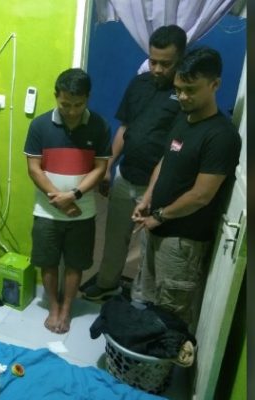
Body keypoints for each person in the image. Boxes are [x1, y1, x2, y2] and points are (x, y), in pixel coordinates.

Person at [131, 47, 242, 330]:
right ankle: (144, 350)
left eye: (190, 90)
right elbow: (165, 161)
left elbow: (201, 195)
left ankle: (168, 358)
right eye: (178, 89)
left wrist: (160, 216)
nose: (182, 96)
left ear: (215, 84)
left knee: (171, 311)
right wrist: (147, 199)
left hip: (182, 241)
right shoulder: (184, 117)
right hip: (156, 225)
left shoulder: (221, 136)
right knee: (147, 295)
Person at [83, 25, 187, 301]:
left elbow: (175, 148)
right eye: (153, 61)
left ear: (180, 58)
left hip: (158, 187)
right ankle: (107, 284)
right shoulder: (138, 84)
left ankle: (143, 299)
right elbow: (124, 128)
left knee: (150, 247)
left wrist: (152, 192)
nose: (157, 69)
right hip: (125, 175)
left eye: (166, 63)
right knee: (115, 237)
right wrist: (108, 166)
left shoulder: (184, 95)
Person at [24, 68, 111, 333]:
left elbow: (100, 168)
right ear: (56, 96)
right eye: (65, 104)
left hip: (82, 210)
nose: (71, 111)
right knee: (48, 261)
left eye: (78, 104)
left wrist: (73, 196)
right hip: (46, 210)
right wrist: (58, 199)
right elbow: (34, 169)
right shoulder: (39, 125)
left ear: (87, 98)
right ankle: (53, 306)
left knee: (75, 263)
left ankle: (66, 309)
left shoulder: (100, 126)